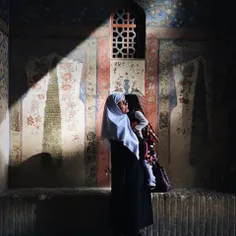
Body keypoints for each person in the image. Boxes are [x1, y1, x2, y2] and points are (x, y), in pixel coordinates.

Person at [101, 92, 153, 236]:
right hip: (128, 172)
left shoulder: (122, 121)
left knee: (131, 201)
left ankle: (129, 230)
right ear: (114, 107)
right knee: (130, 201)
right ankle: (131, 231)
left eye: (126, 102)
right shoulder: (118, 125)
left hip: (129, 171)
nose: (126, 105)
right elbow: (135, 148)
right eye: (123, 103)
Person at [125, 94, 159, 189]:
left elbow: (145, 122)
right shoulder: (131, 112)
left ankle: (152, 181)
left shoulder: (136, 113)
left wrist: (136, 128)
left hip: (142, 140)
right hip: (137, 139)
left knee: (146, 161)